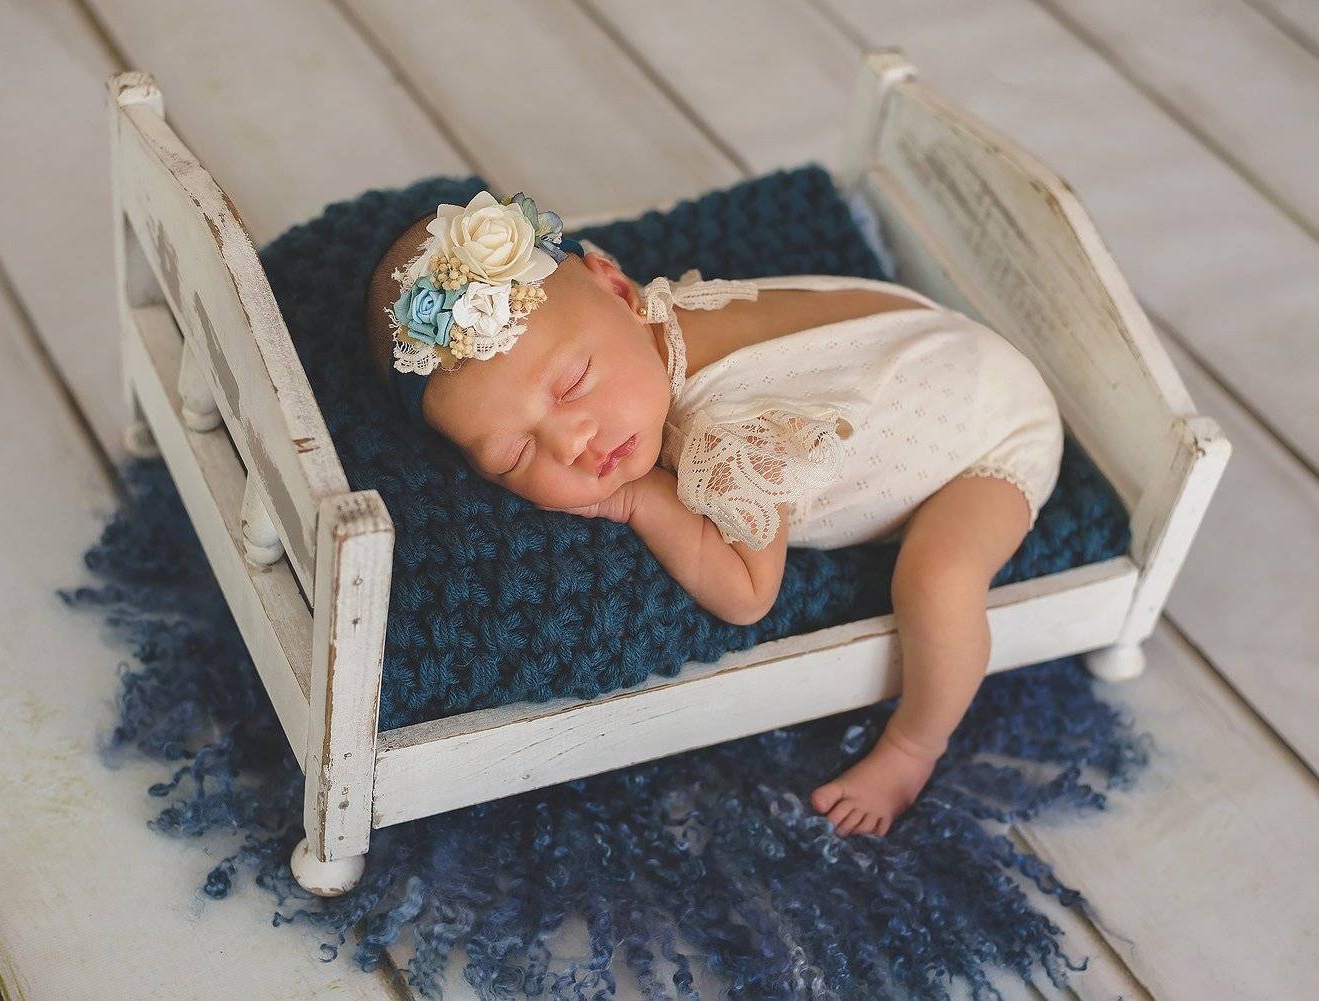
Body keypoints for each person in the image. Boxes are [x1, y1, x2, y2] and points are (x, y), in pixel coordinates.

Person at [363, 189, 1063, 837]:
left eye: (573, 382)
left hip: (991, 437)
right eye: (514, 454)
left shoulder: (727, 435)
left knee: (937, 580)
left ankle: (914, 746)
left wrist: (640, 499)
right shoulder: (654, 324)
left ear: (618, 288)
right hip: (944, 346)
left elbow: (749, 593)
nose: (570, 443)